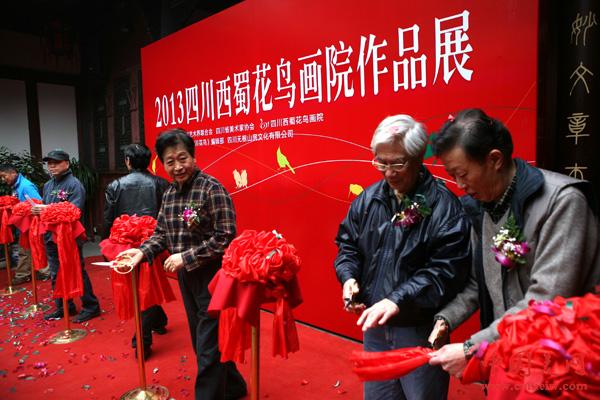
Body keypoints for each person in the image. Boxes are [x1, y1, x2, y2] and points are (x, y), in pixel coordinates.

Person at [428, 108, 600, 378]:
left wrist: (472, 347)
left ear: (494, 159)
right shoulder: (482, 206)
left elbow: (546, 301)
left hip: (562, 363)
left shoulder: (561, 203)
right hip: (511, 355)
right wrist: (446, 319)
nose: (459, 184)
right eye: (453, 176)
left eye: (462, 173)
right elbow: (478, 282)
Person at [334, 115, 472, 399]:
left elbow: (445, 272)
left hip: (418, 326)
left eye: (398, 163)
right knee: (379, 395)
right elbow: (348, 245)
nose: (388, 172)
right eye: (380, 162)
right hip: (376, 323)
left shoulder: (444, 206)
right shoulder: (369, 198)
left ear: (418, 157)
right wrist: (348, 277)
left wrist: (397, 300)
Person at [117, 129, 247, 400]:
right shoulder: (169, 194)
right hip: (188, 278)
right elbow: (162, 233)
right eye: (170, 161)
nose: (177, 167)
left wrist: (185, 257)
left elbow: (226, 237)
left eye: (182, 158)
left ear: (193, 156)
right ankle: (233, 386)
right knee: (203, 340)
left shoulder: (211, 189)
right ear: (161, 164)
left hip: (214, 277)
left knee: (207, 345)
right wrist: (141, 253)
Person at [103, 143, 170, 359]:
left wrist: (108, 243)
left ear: (128, 161)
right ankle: (158, 319)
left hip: (125, 243)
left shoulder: (115, 185)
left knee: (141, 286)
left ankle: (142, 341)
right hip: (154, 241)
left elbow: (108, 217)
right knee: (146, 284)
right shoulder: (161, 183)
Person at [32, 149, 101, 323]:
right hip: (50, 235)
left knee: (77, 269)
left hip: (69, 237)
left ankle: (91, 306)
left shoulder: (74, 184)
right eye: (49, 163)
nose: (52, 166)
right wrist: (35, 210)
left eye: (55, 162)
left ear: (67, 164)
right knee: (55, 273)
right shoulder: (48, 185)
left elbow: (74, 211)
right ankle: (64, 307)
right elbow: (46, 209)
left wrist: (46, 209)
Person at [0, 164, 50, 284]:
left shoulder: (26, 186)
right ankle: (37, 271)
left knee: (29, 248)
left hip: (31, 222)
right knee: (27, 248)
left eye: (3, 176)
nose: (3, 180)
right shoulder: (17, 185)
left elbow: (38, 204)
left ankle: (28, 273)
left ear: (12, 173)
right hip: (24, 222)